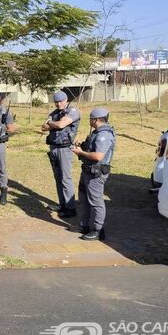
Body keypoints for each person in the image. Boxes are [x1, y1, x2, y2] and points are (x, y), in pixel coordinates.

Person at [71, 108, 116, 241]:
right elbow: (92, 148)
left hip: (96, 172)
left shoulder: (104, 135)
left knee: (96, 201)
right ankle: (84, 225)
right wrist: (82, 145)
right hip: (87, 170)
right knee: (83, 198)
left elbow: (98, 156)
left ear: (96, 120)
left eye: (91, 119)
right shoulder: (97, 132)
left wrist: (80, 153)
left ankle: (97, 230)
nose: (89, 121)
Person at [41, 90, 80, 218]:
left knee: (66, 178)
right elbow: (43, 127)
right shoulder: (54, 113)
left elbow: (62, 124)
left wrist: (52, 124)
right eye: (56, 102)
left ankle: (70, 208)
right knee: (58, 178)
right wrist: (54, 124)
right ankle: (62, 204)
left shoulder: (73, 111)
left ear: (66, 100)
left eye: (60, 101)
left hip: (65, 148)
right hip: (54, 147)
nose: (58, 104)